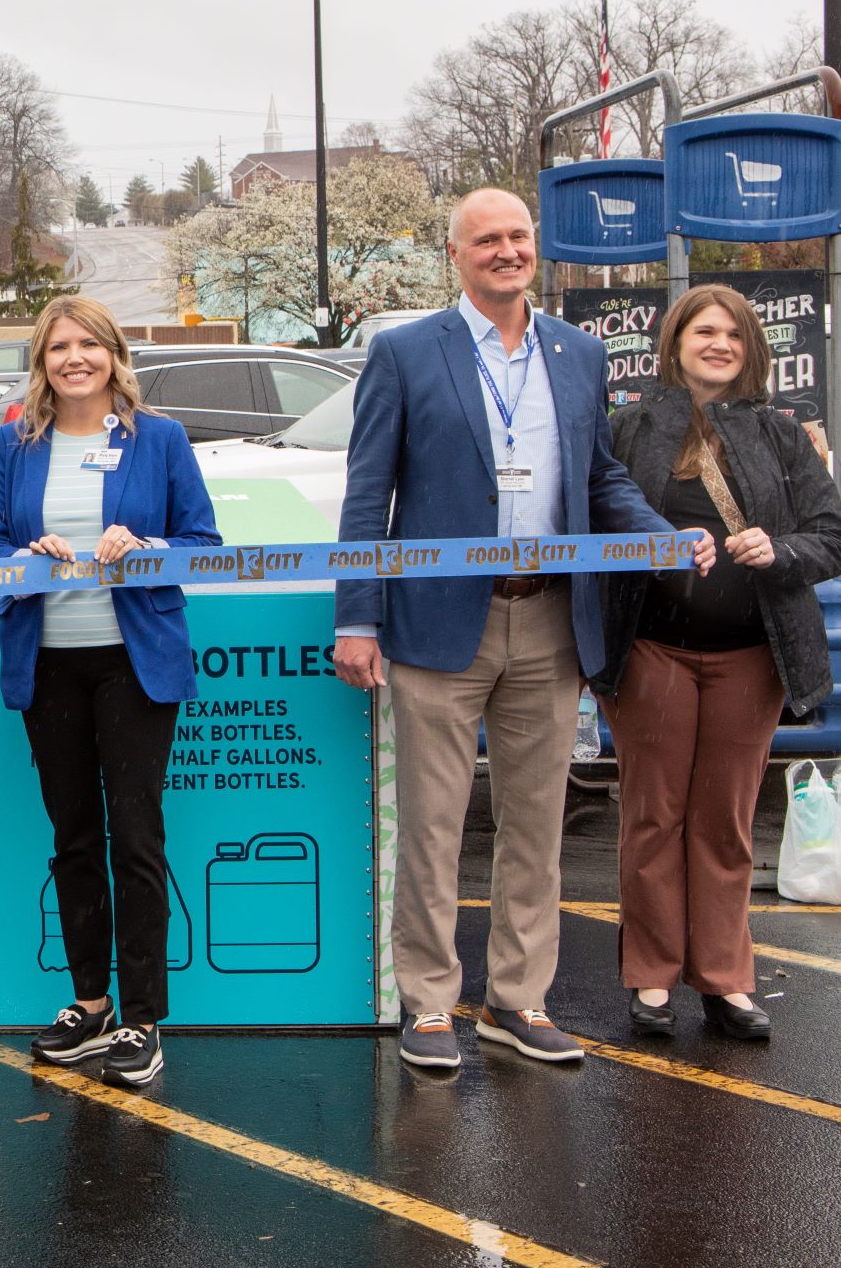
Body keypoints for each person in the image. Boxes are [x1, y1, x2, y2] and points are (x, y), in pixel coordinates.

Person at [336, 188, 708, 1071]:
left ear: (534, 248)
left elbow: (600, 478)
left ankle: (516, 998)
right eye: (488, 240)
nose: (507, 251)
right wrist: (358, 616)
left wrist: (658, 538)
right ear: (456, 256)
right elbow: (365, 499)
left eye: (518, 237)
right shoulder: (402, 354)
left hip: (549, 617)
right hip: (435, 622)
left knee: (535, 823)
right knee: (432, 825)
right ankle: (428, 1003)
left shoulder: (577, 354)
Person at [0, 293, 218, 1088]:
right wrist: (25, 550)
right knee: (73, 838)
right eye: (57, 348)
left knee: (135, 839)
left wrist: (144, 545)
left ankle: (143, 1018)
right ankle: (90, 1002)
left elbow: (203, 544)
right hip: (49, 664)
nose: (74, 359)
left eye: (89, 346)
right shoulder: (15, 444)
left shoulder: (162, 440)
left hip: (132, 663)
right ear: (41, 362)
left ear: (114, 354)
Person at [593, 287, 841, 1040]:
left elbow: (830, 532)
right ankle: (653, 978)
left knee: (724, 822)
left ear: (752, 349)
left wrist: (782, 548)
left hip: (749, 658)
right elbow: (596, 519)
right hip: (651, 650)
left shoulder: (783, 435)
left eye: (735, 333)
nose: (720, 343)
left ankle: (727, 982)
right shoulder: (629, 428)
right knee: (653, 817)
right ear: (674, 341)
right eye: (705, 330)